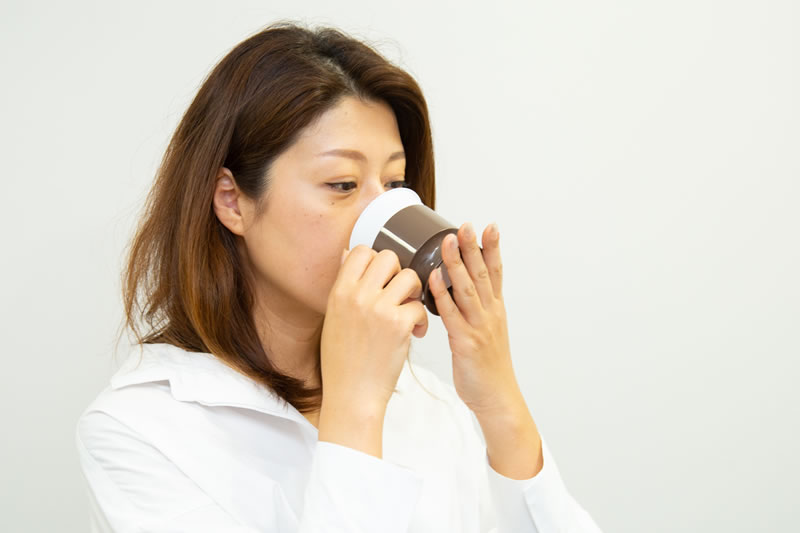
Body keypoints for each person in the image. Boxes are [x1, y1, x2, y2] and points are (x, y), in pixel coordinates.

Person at [75, 21, 603, 532]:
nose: (385, 212)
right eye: (343, 183)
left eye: (396, 182)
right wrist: (354, 410)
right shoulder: (141, 430)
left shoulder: (428, 406)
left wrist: (499, 401)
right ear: (232, 201)